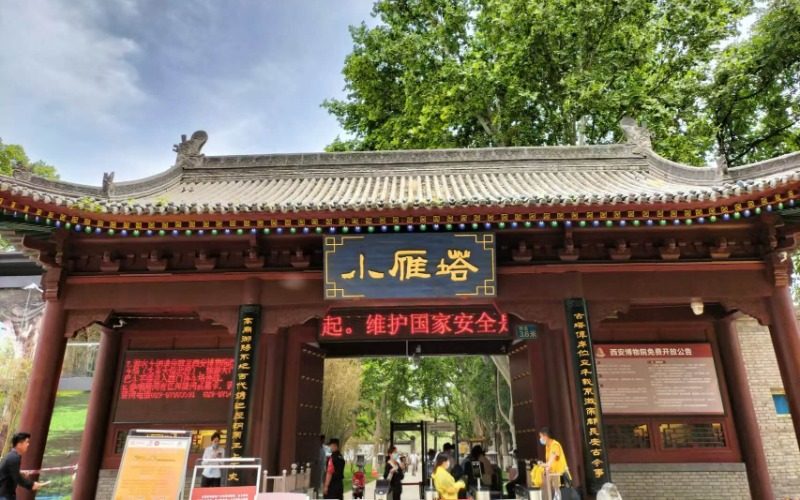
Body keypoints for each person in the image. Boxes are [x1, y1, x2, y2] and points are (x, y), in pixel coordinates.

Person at [0, 432, 45, 500]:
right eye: (26, 442)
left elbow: (8, 472)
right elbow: (17, 478)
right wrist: (31, 485)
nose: (28, 444)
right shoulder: (14, 458)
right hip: (4, 495)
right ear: (19, 444)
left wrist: (20, 472)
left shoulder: (12, 456)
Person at [538, 428, 568, 500]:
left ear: (545, 436)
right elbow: (549, 462)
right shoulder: (547, 446)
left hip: (560, 475)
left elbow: (550, 461)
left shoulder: (555, 445)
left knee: (558, 495)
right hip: (553, 475)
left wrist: (544, 465)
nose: (540, 439)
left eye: (541, 436)